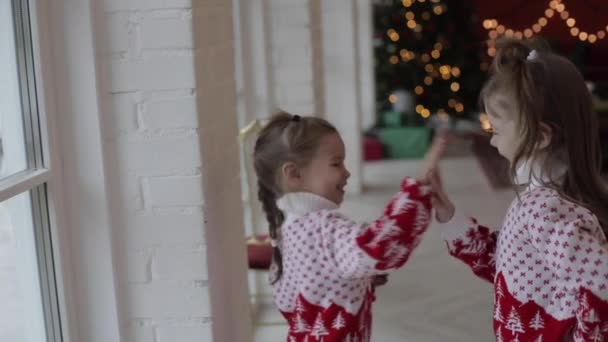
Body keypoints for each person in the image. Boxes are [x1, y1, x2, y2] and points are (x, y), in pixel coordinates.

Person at [430, 39, 608, 341]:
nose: (493, 142)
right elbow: (509, 269)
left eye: (496, 131)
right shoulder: (552, 200)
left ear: (539, 137)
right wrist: (450, 217)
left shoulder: (541, 209)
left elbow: (601, 280)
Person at [253, 111, 444, 341]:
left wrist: (362, 278)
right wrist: (418, 190)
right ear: (294, 174)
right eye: (336, 163)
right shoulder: (326, 230)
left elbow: (313, 288)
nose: (347, 172)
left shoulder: (286, 228)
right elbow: (380, 247)